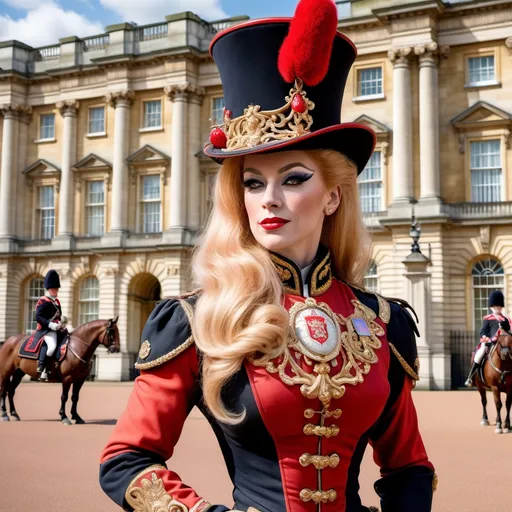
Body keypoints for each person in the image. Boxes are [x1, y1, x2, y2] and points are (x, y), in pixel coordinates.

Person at [99, 1, 436, 511]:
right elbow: (126, 458)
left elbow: (409, 466)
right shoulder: (198, 319)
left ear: (333, 196)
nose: (269, 198)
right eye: (253, 183)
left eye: (294, 178)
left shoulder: (382, 323)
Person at [465, 290, 511, 387]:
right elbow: (483, 332)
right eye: (496, 306)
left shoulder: (506, 319)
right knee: (479, 354)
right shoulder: (488, 319)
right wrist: (486, 338)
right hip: (490, 343)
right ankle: (470, 377)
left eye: (499, 306)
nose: (498, 308)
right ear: (492, 307)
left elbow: (509, 332)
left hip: (503, 343)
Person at [36, 269, 66, 380]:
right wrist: (51, 325)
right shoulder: (43, 301)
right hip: (46, 330)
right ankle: (43, 368)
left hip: (56, 329)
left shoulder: (57, 302)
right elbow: (38, 317)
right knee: (52, 347)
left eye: (56, 289)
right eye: (53, 289)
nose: (55, 290)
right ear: (48, 289)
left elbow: (58, 316)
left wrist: (62, 322)